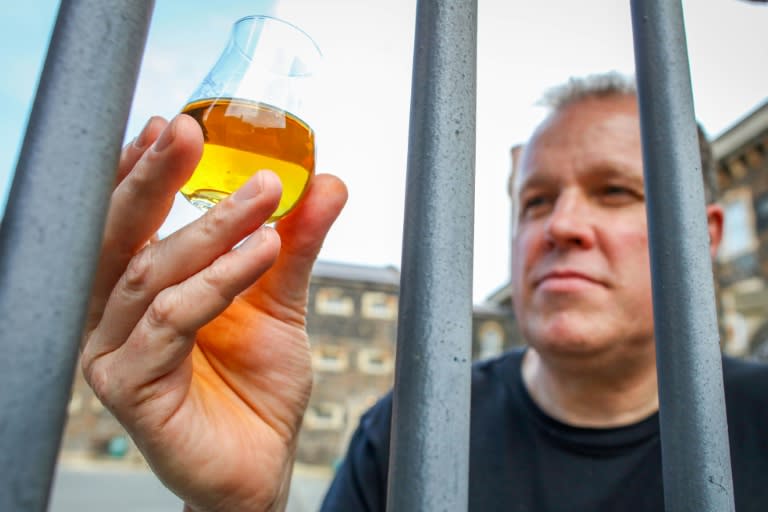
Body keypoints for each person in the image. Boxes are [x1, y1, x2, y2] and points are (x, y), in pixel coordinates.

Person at [82, 72, 768, 512]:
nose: (560, 226)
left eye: (615, 191)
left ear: (701, 235)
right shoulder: (408, 429)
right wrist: (231, 508)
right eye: (534, 201)